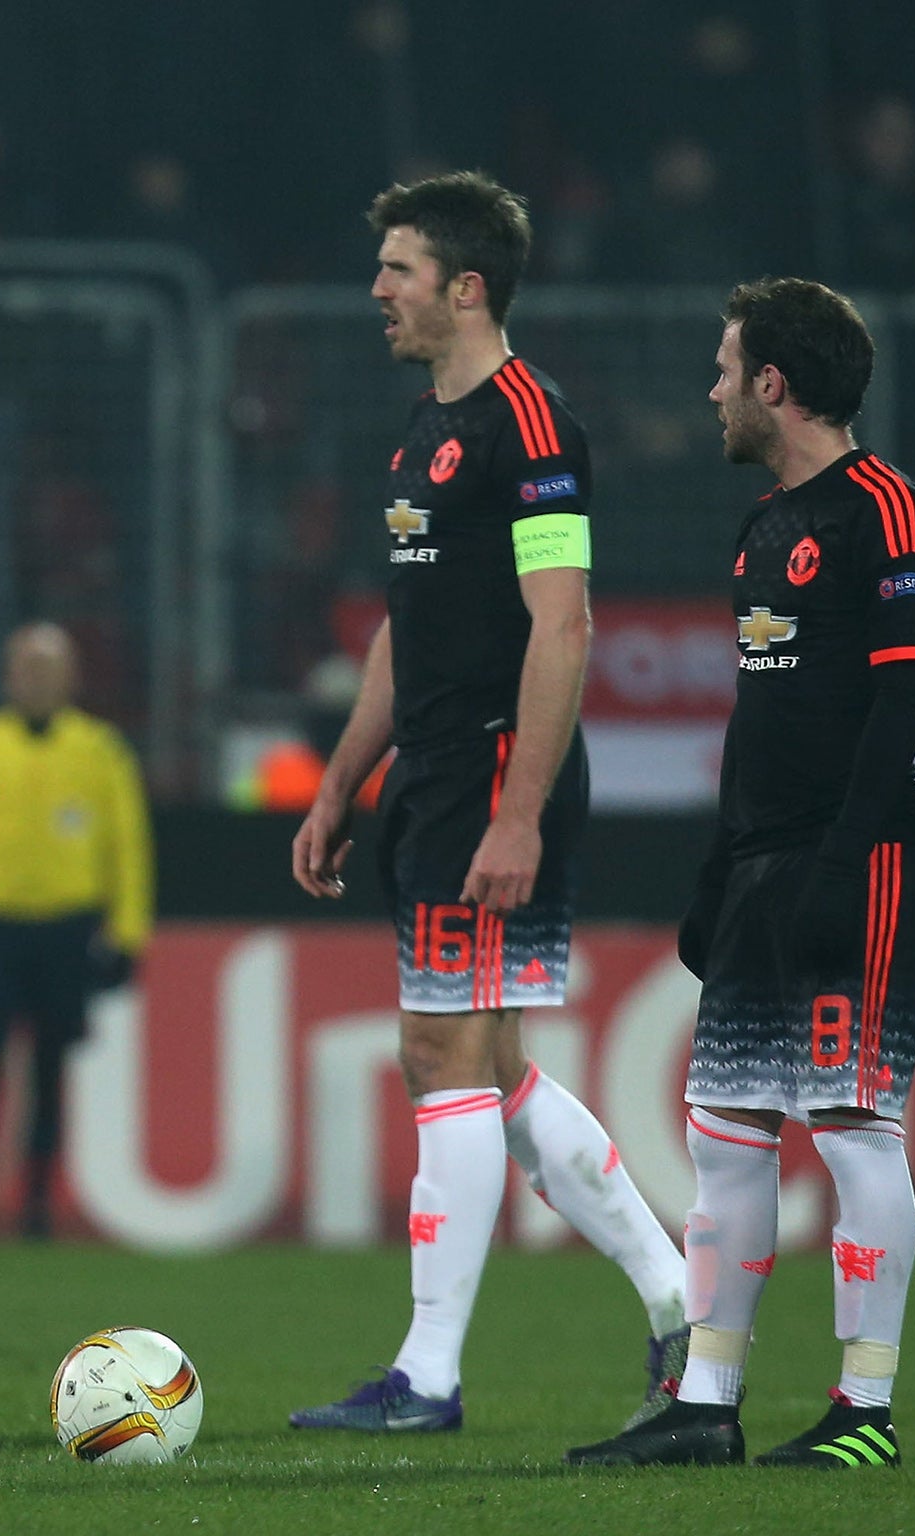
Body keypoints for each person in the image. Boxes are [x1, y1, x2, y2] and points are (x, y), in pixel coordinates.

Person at [287, 172, 689, 1437]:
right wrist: (343, 779)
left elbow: (560, 623)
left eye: (398, 268)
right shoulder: (421, 430)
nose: (377, 291)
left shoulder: (527, 424)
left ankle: (428, 1377)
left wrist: (515, 812)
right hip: (436, 775)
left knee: (436, 1053)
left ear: (465, 287)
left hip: (493, 773)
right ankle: (680, 1297)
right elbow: (404, 634)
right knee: (494, 1063)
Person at [567, 278, 915, 1469]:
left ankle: (863, 1415)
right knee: (726, 1132)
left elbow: (903, 701)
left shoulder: (888, 511)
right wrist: (720, 862)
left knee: (850, 1130)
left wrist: (841, 859)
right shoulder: (761, 527)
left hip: (861, 859)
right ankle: (707, 1403)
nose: (714, 390)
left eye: (727, 368)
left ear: (773, 384)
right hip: (761, 867)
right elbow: (756, 715)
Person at [0, 623, 153, 1239]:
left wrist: (127, 933)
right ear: (8, 676)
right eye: (27, 668)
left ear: (71, 678)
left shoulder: (101, 751)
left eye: (49, 669)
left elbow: (128, 847)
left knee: (51, 1071)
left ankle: (38, 1207)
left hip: (67, 930)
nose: (38, 680)